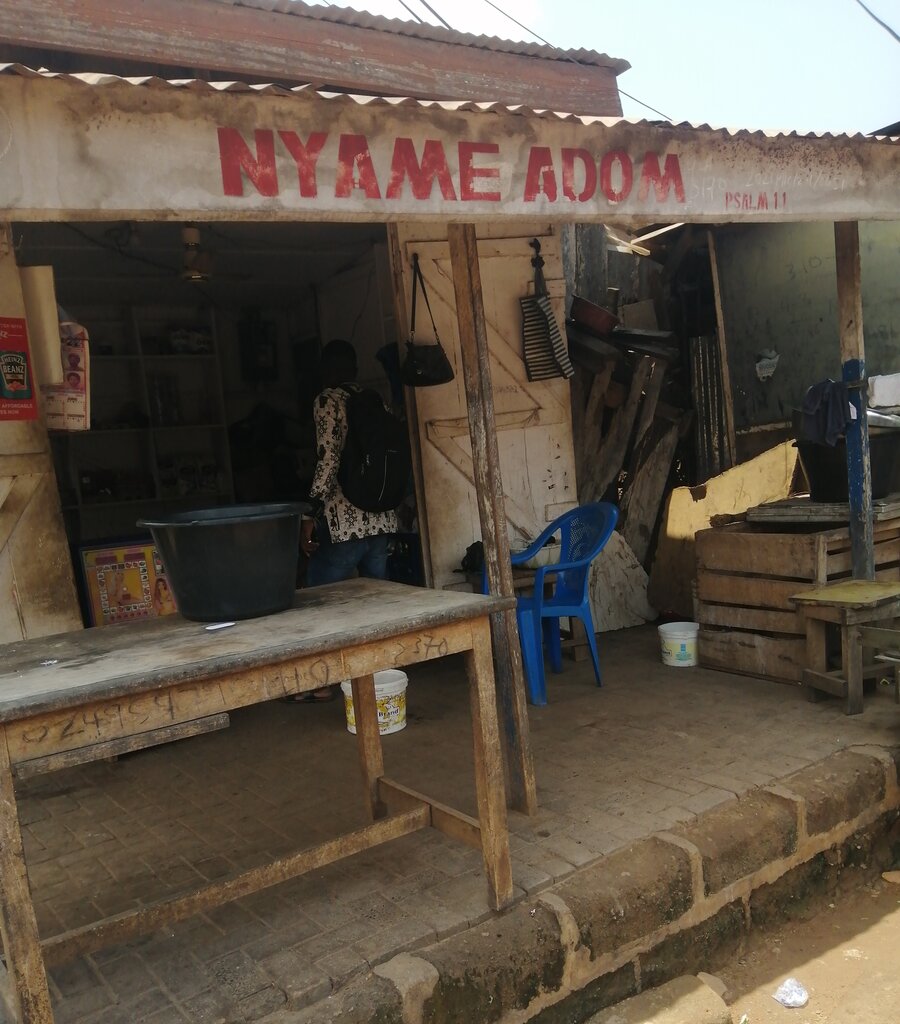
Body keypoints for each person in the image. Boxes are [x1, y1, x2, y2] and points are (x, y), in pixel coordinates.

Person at [292, 339, 400, 702]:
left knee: (321, 603)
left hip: (345, 523)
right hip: (382, 521)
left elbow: (328, 461)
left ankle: (322, 683)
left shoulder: (327, 401)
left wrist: (309, 515)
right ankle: (377, 677)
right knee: (376, 608)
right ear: (354, 368)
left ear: (327, 369)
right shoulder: (376, 399)